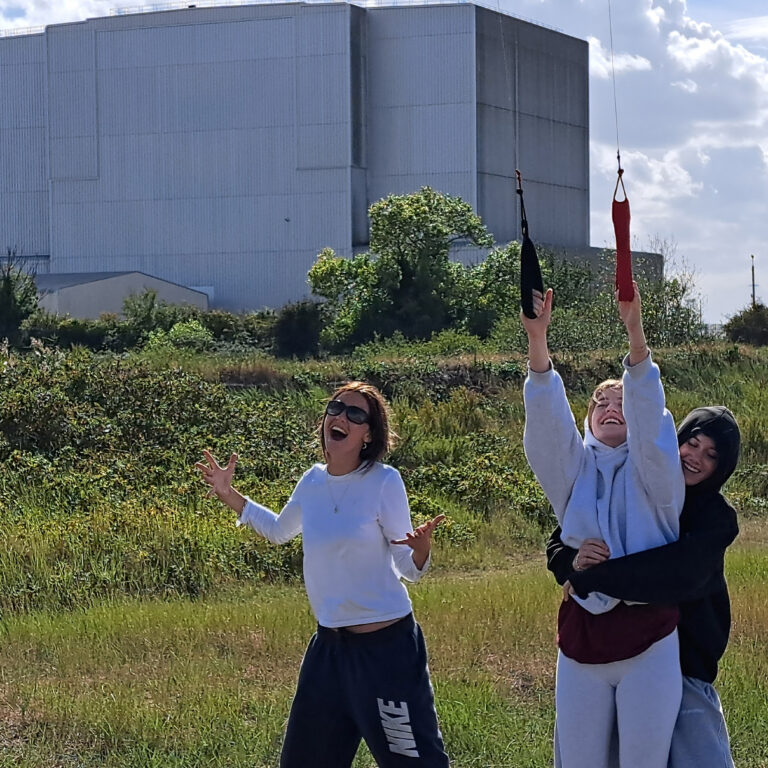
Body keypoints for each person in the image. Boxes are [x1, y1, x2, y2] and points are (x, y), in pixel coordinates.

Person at [195, 381, 450, 768]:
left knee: (413, 762)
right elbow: (280, 530)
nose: (341, 417)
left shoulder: (384, 481)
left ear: (368, 434)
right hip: (328, 651)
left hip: (386, 652)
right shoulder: (312, 481)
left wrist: (420, 551)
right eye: (336, 408)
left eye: (356, 414)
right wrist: (230, 494)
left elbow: (405, 568)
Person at [521, 283, 686, 768]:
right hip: (581, 641)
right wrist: (537, 342)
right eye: (599, 404)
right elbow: (549, 431)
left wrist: (634, 334)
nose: (611, 409)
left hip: (648, 640)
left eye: (620, 403)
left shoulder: (657, 473)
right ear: (588, 420)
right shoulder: (573, 472)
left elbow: (650, 419)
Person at [547, 405, 741, 768]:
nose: (696, 458)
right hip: (610, 653)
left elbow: (673, 576)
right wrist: (570, 562)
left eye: (711, 455)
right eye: (691, 444)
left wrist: (590, 579)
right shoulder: (632, 486)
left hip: (684, 666)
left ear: (722, 468)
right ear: (674, 441)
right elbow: (563, 537)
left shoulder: (715, 518)